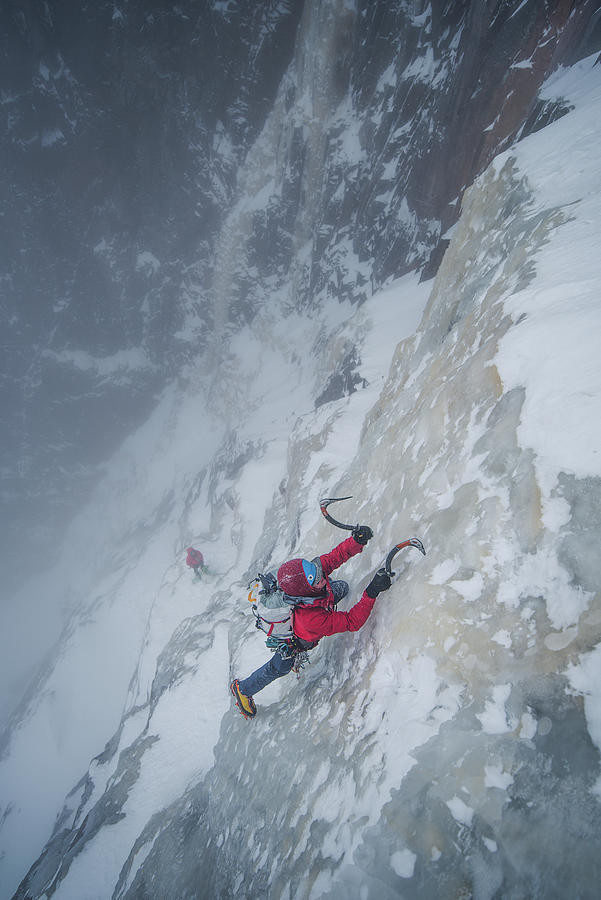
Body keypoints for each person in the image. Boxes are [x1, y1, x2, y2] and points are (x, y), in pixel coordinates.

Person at [230, 525, 392, 718]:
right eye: (317, 581)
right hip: (294, 642)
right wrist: (371, 592)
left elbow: (334, 557)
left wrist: (356, 541)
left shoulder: (313, 575)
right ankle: (244, 689)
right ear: (305, 592)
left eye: (319, 575)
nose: (323, 579)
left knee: (341, 587)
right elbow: (351, 622)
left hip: (318, 603)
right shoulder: (312, 620)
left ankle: (246, 688)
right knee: (279, 667)